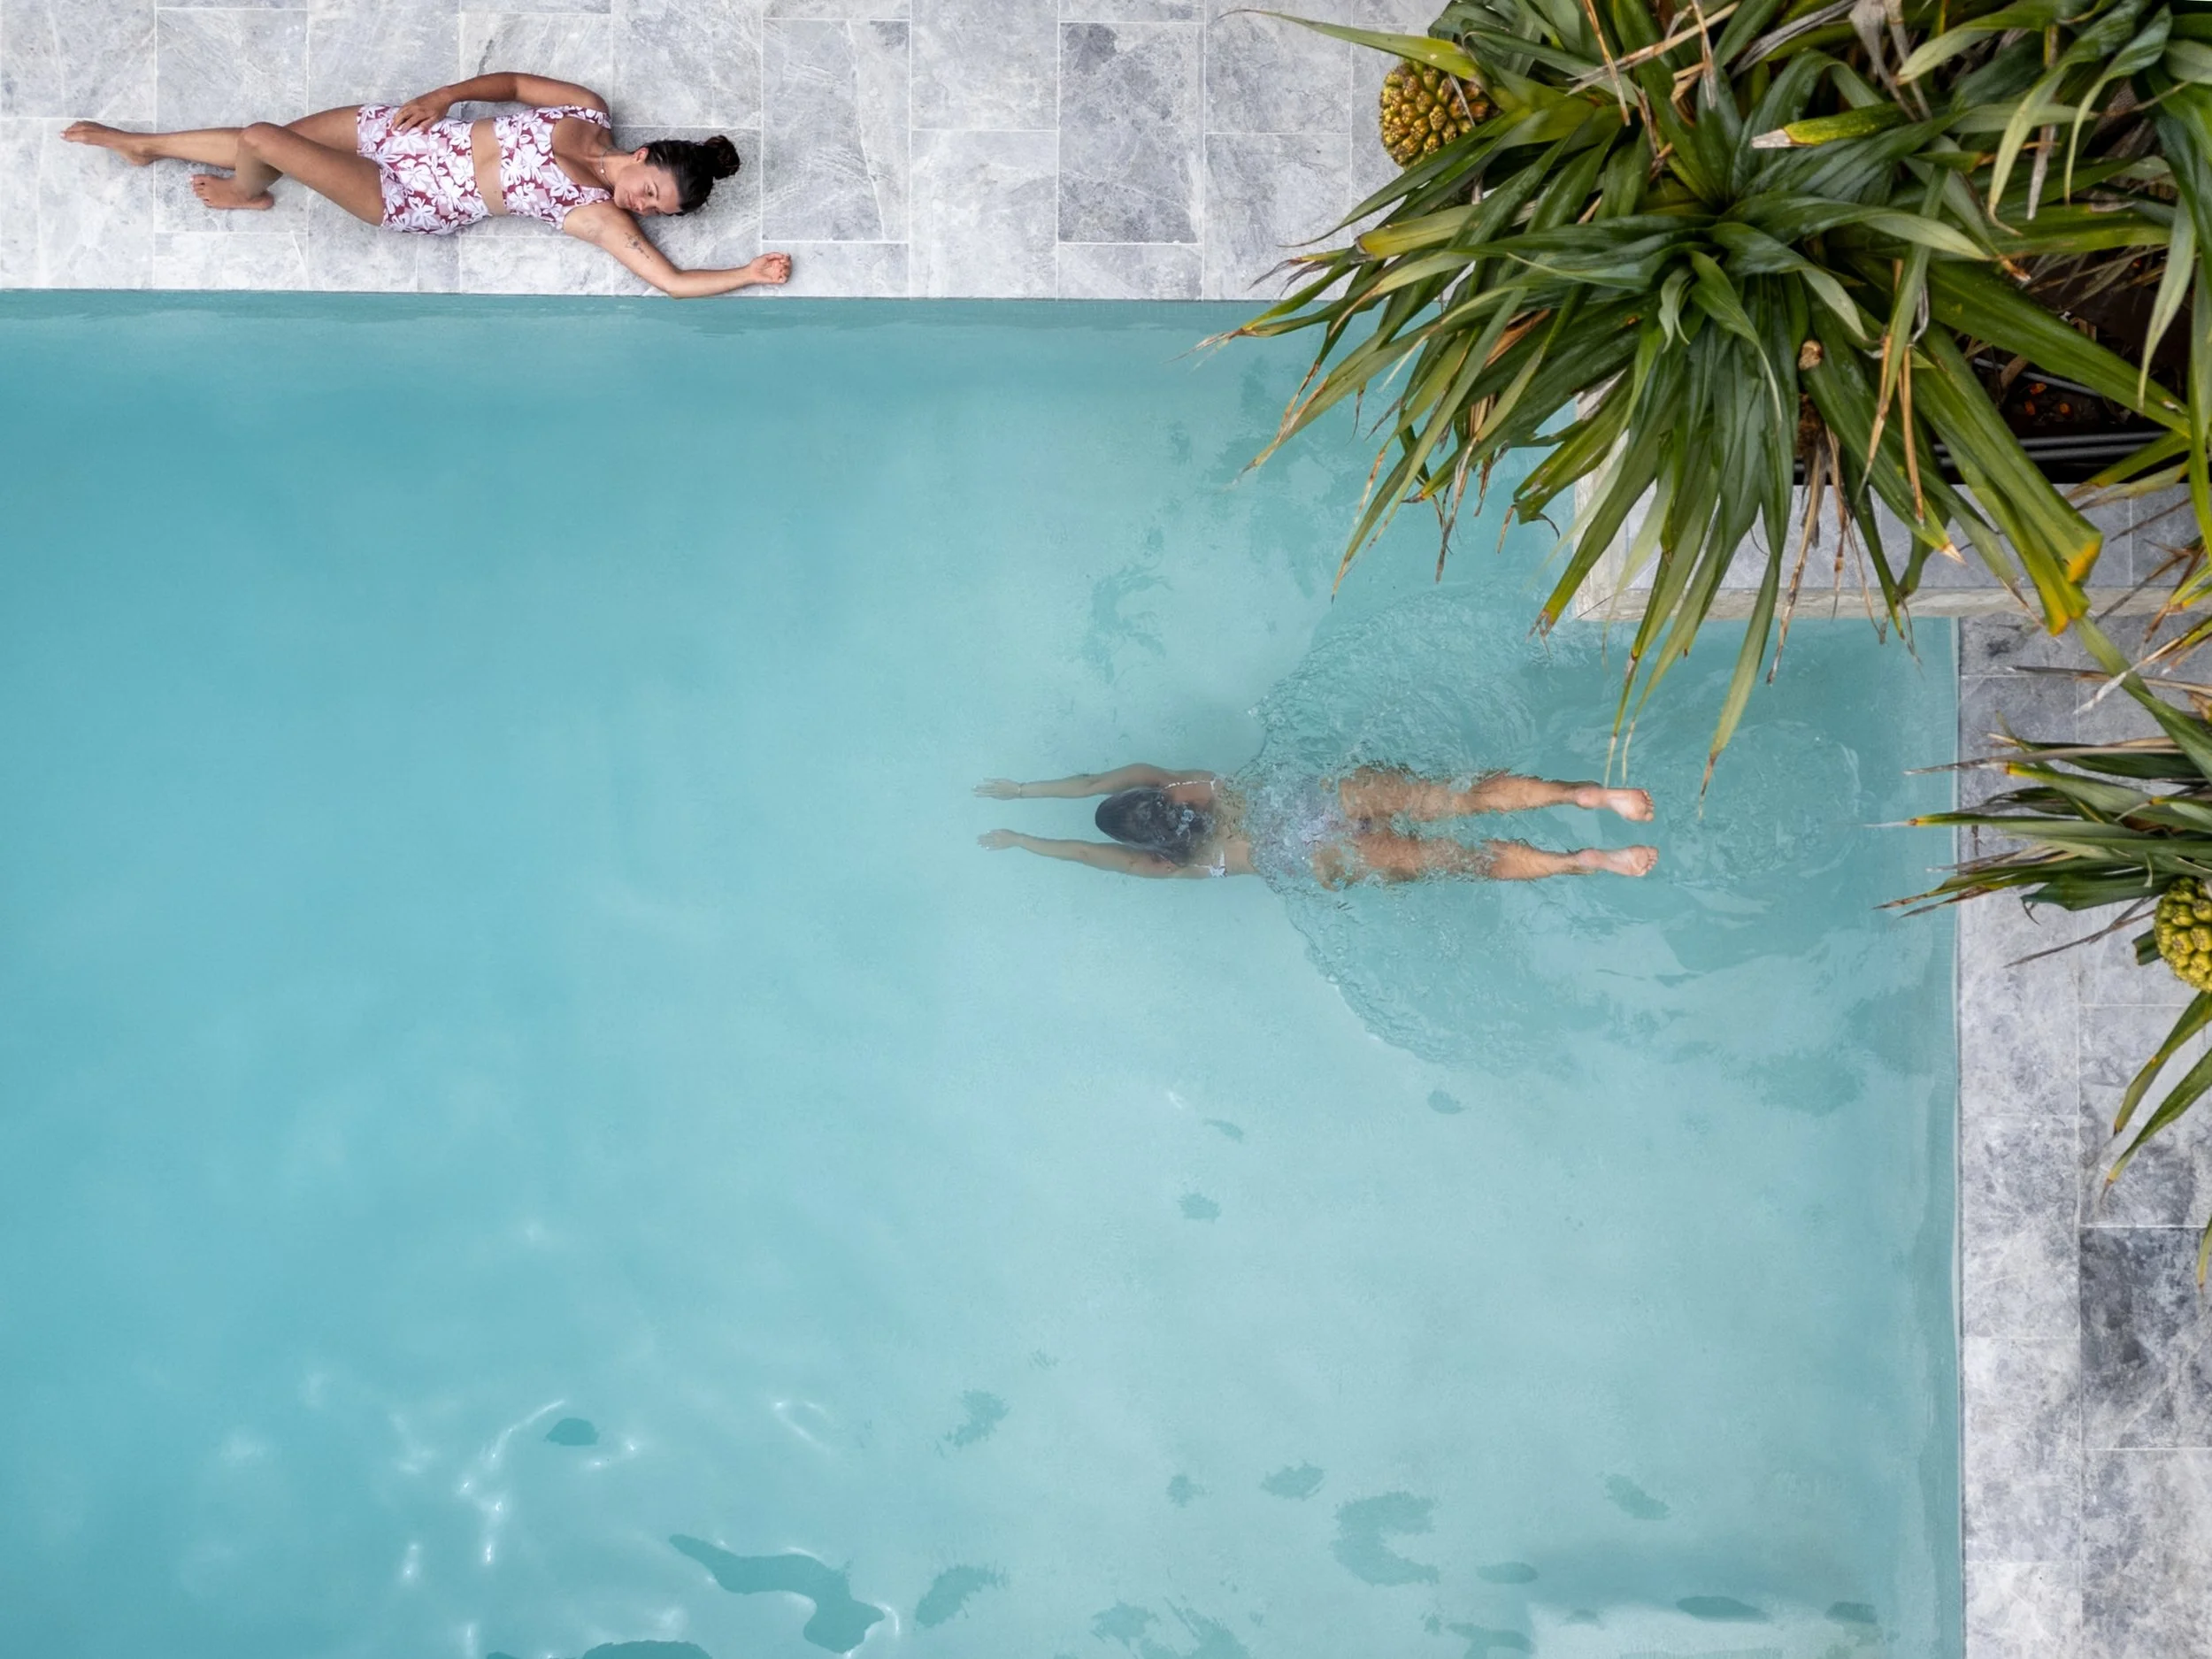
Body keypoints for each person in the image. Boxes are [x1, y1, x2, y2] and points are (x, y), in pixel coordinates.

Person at [63, 71, 791, 299]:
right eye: (652, 192)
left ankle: (249, 192)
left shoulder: (597, 216)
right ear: (646, 158)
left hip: (410, 198)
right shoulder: (585, 111)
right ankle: (142, 146)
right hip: (406, 134)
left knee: (261, 141)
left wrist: (749, 275)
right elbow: (506, 82)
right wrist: (444, 98)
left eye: (655, 210)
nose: (643, 207)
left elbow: (670, 281)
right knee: (275, 135)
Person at [974, 765, 1657, 883]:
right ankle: (1592, 796)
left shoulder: (1161, 863)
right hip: (1324, 799)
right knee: (1459, 799)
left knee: (1459, 860)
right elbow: (1098, 784)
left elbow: (1082, 854)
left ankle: (1590, 863)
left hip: (1314, 855)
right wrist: (1022, 791)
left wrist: (1021, 841)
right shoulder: (1181, 781)